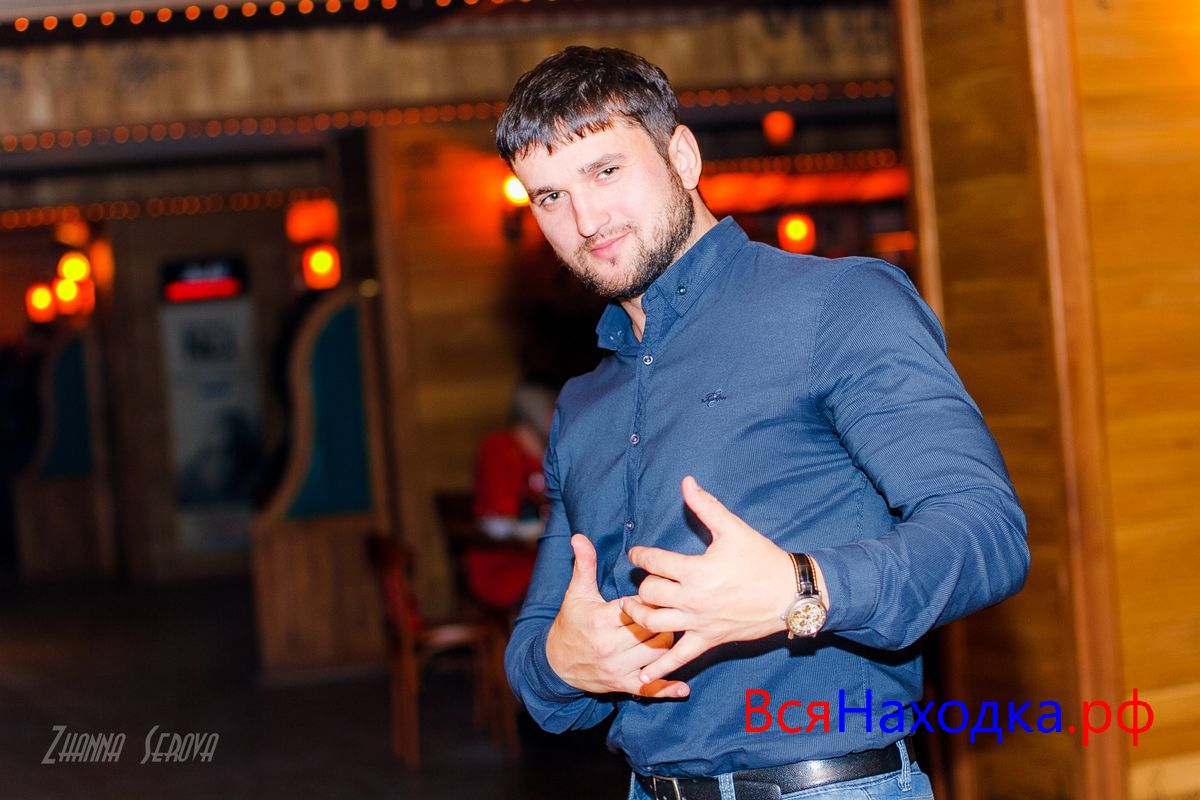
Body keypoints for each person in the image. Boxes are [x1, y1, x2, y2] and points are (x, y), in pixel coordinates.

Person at [496, 46, 1029, 800]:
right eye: (549, 196)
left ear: (682, 157)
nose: (584, 219)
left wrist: (801, 588)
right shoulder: (583, 405)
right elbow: (538, 651)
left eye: (605, 171)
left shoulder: (838, 305)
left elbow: (988, 535)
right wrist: (562, 665)